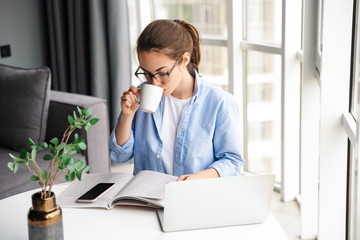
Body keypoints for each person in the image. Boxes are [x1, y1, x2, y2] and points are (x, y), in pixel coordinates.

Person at [109, 19, 244, 181]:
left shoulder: (219, 103)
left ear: (184, 60)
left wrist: (199, 177)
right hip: (146, 199)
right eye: (147, 73)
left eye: (163, 73)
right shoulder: (141, 97)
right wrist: (127, 116)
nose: (154, 82)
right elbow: (119, 157)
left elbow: (233, 161)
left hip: (194, 198)